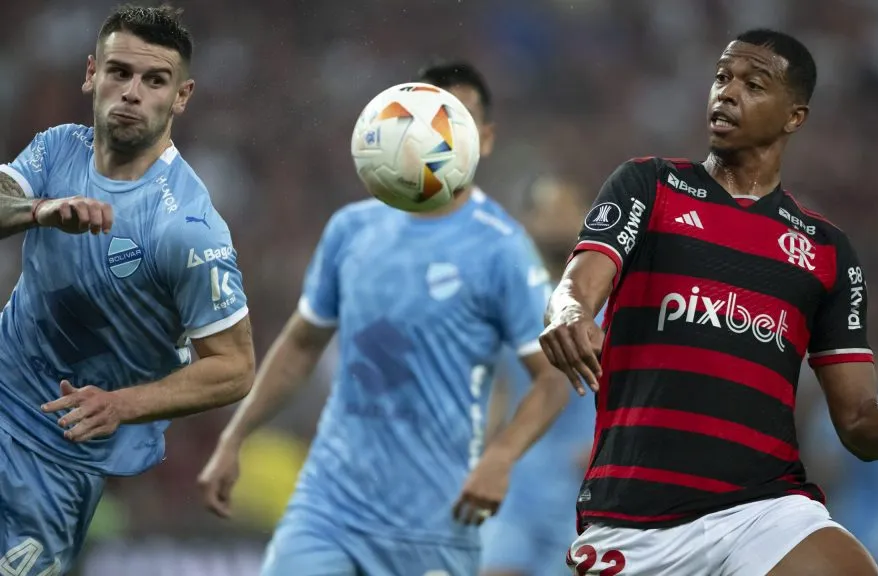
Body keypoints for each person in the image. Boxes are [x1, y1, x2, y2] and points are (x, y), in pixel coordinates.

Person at [541, 29, 878, 576]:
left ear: (794, 116)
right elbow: (578, 284)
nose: (727, 92)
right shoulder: (650, 187)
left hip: (762, 509)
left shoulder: (825, 251)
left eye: (753, 84)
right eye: (722, 77)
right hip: (635, 519)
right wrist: (570, 313)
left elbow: (860, 423)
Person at [197, 60, 569, 576]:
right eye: (424, 118)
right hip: (330, 506)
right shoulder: (351, 229)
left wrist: (500, 458)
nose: (437, 134)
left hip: (436, 520)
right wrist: (235, 436)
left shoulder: (502, 248)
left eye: (455, 120)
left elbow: (551, 377)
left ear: (483, 140)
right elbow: (302, 343)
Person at [0, 5, 254, 573]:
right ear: (92, 74)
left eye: (155, 80)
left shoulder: (186, 226)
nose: (132, 92)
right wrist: (39, 210)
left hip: (55, 459)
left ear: (181, 97)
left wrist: (121, 404)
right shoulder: (56, 149)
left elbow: (235, 367)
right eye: (119, 72)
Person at [480, 176, 598, 576]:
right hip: (520, 478)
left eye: (567, 210)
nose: (559, 221)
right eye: (548, 211)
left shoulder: (607, 304)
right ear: (528, 222)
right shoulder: (510, 303)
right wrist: (485, 451)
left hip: (581, 482)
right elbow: (498, 385)